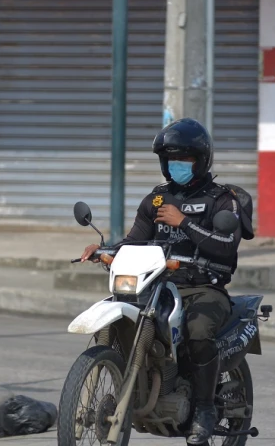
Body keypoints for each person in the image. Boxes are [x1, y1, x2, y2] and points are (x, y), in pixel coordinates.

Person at [80, 118, 252, 445]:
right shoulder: (156, 200)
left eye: (184, 160)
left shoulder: (221, 199)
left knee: (199, 332)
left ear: (201, 161)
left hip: (204, 287)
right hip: (158, 285)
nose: (177, 166)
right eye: (171, 160)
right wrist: (105, 250)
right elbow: (135, 240)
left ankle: (203, 409)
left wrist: (183, 222)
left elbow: (225, 246)